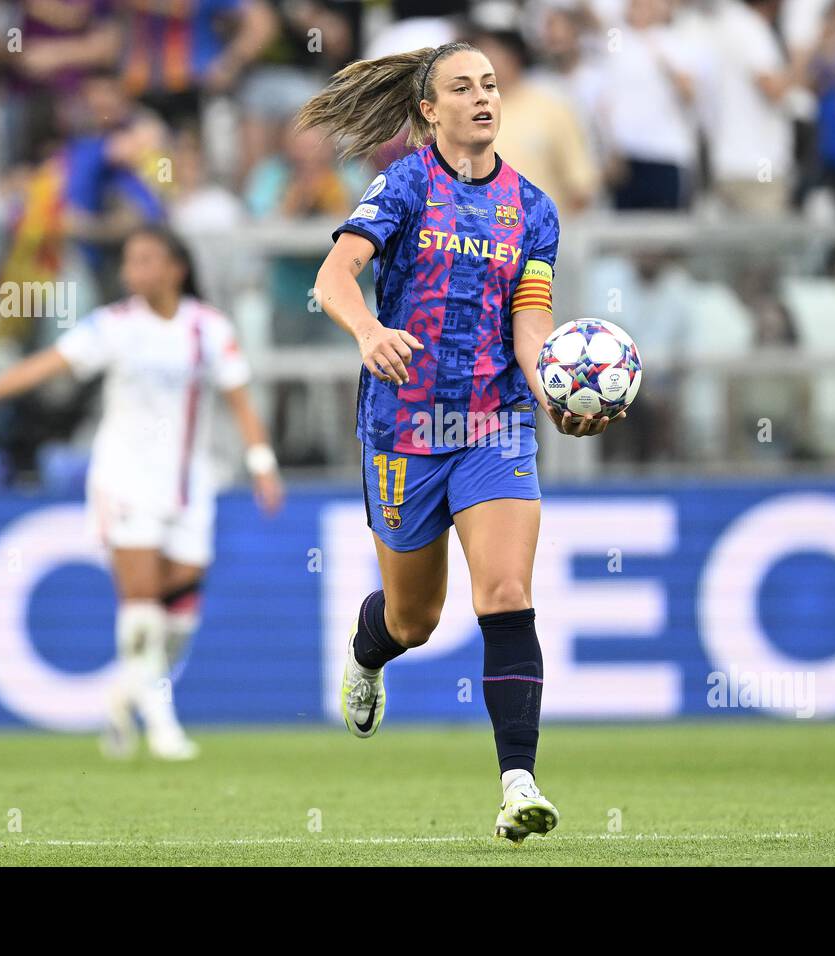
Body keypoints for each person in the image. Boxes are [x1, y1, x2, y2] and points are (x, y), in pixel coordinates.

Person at [298, 40, 625, 842]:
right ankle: (369, 653)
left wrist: (552, 387)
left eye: (489, 84)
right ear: (428, 110)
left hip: (494, 424)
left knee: (506, 596)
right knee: (415, 621)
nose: (482, 97)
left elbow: (531, 319)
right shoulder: (403, 184)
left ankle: (519, 782)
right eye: (461, 87)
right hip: (402, 430)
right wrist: (370, 330)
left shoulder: (534, 209)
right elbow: (333, 276)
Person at [0, 226, 284, 760]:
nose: (134, 271)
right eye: (130, 261)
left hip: (188, 483)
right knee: (140, 602)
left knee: (180, 615)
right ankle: (162, 725)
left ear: (175, 269)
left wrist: (262, 463)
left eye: (146, 261)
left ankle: (123, 695)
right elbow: (45, 365)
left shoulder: (207, 328)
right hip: (124, 479)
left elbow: (239, 398)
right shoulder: (115, 326)